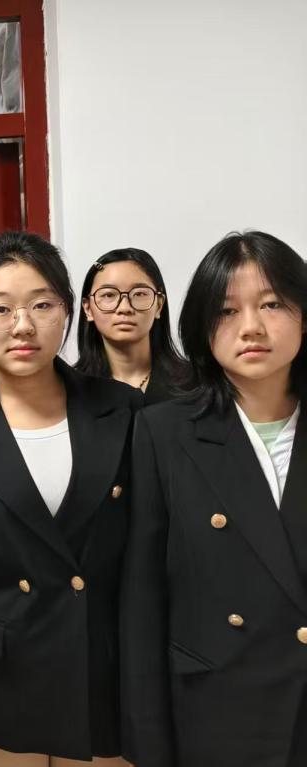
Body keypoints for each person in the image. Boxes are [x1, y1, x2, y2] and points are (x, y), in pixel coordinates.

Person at [0, 231, 141, 766]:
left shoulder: (126, 411)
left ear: (68, 311)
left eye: (41, 305)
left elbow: (150, 563)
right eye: (1, 308)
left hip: (103, 674)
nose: (22, 325)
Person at [121, 231, 307, 767]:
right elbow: (143, 600)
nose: (251, 327)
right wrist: (149, 743)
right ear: (203, 327)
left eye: (272, 304)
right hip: (216, 711)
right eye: (226, 310)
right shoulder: (164, 432)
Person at [75, 248, 188, 404]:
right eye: (109, 295)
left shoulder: (196, 385)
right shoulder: (71, 389)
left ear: (159, 305)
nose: (125, 308)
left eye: (139, 294)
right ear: (88, 309)